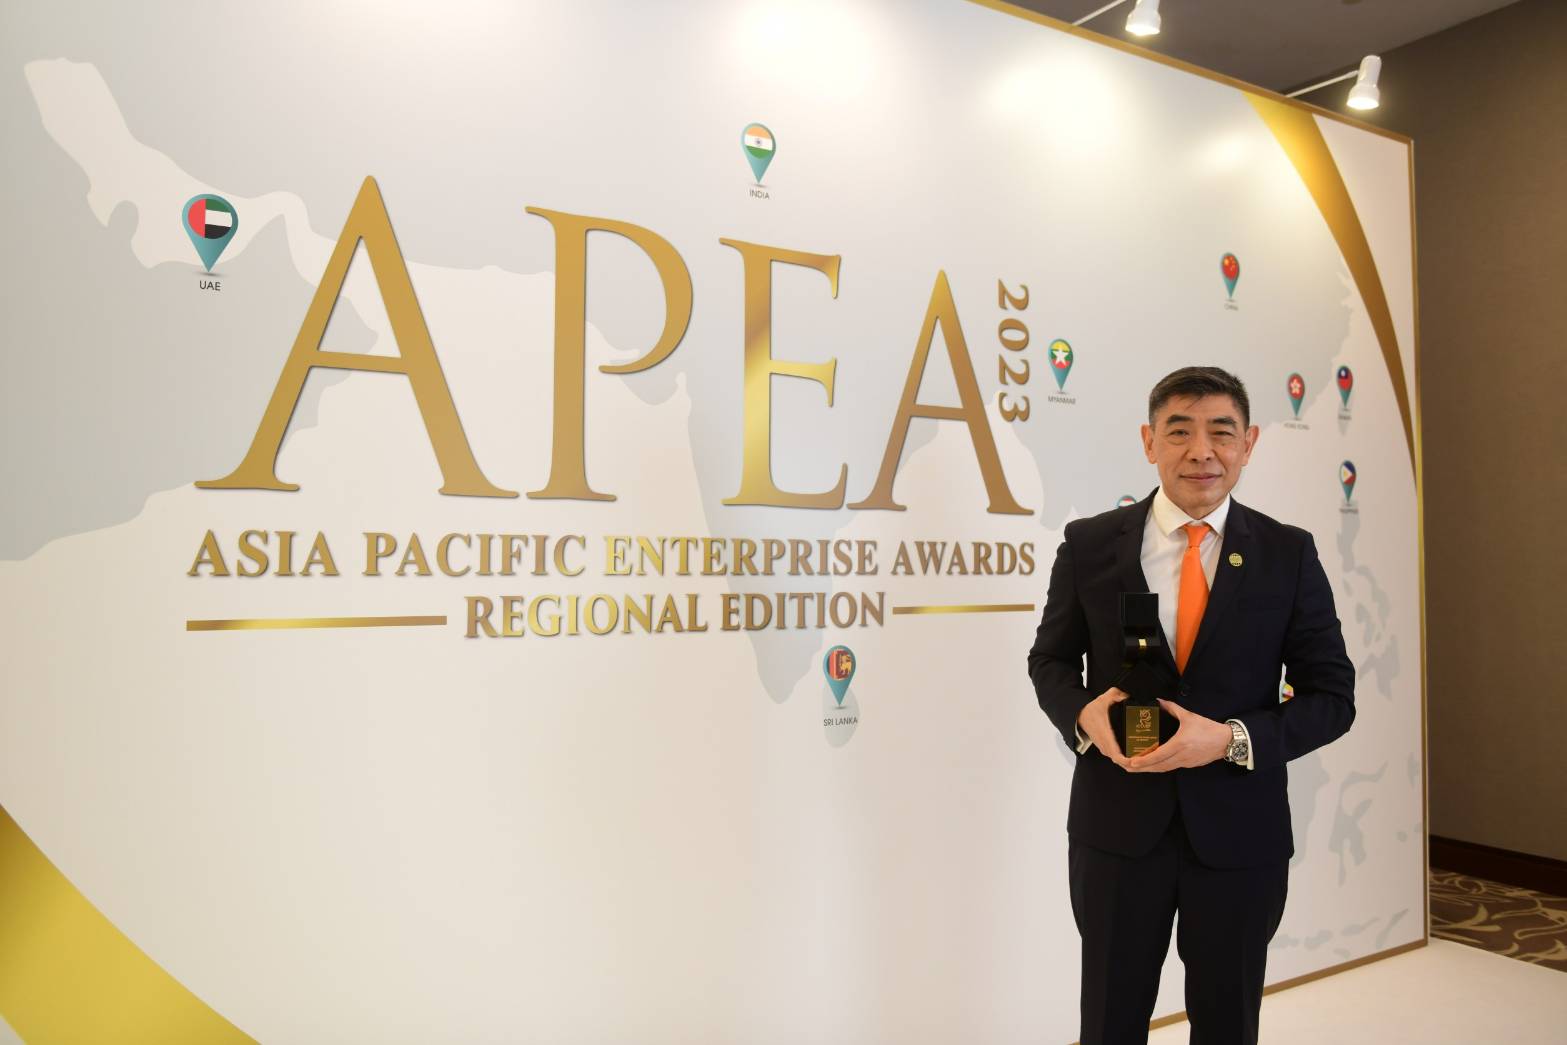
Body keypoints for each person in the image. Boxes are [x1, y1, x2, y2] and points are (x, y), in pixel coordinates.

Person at [1027, 366, 1355, 1045]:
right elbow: (1050, 661)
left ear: (1248, 443)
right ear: (1149, 442)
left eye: (1221, 432)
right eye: (1178, 431)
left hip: (1239, 836)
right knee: (1109, 1022)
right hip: (1116, 830)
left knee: (1227, 1023)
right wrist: (1083, 716)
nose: (1200, 451)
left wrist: (1231, 738)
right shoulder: (1090, 544)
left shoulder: (1287, 554)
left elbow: (1332, 697)